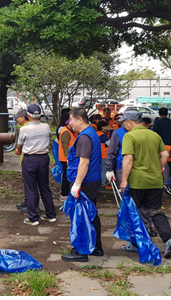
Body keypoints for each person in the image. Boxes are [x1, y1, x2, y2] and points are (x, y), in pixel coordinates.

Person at [119, 111, 171, 259]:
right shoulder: (154, 135)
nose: (123, 125)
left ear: (130, 122)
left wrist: (124, 180)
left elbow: (128, 159)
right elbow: (165, 155)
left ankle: (138, 244)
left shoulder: (130, 136)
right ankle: (169, 239)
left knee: (135, 213)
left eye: (124, 122)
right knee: (155, 211)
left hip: (138, 182)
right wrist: (158, 168)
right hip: (155, 181)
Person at [61, 108, 104, 262]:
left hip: (85, 182)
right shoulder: (91, 133)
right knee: (91, 214)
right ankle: (96, 247)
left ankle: (80, 251)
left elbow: (84, 162)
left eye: (71, 120)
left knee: (80, 216)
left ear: (80, 119)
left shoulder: (85, 137)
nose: (69, 123)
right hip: (91, 180)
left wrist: (76, 184)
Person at [16, 104, 58, 226]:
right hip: (44, 159)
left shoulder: (24, 129)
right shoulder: (46, 127)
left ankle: (33, 217)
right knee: (45, 186)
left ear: (28, 115)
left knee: (30, 188)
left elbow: (19, 145)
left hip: (30, 159)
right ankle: (51, 214)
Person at [57, 108, 77, 201]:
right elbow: (65, 146)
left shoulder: (69, 131)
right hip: (66, 158)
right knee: (66, 176)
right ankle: (64, 194)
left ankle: (65, 192)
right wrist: (67, 158)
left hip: (67, 157)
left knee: (67, 175)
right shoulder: (65, 131)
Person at [105, 115, 126, 190]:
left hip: (122, 166)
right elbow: (112, 150)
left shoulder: (117, 132)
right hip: (122, 166)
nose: (118, 121)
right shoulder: (116, 132)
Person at [96, 120, 111, 187]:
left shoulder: (97, 133)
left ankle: (101, 183)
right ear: (103, 128)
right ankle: (103, 184)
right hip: (104, 155)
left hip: (99, 155)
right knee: (104, 170)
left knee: (101, 170)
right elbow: (109, 144)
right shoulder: (103, 135)